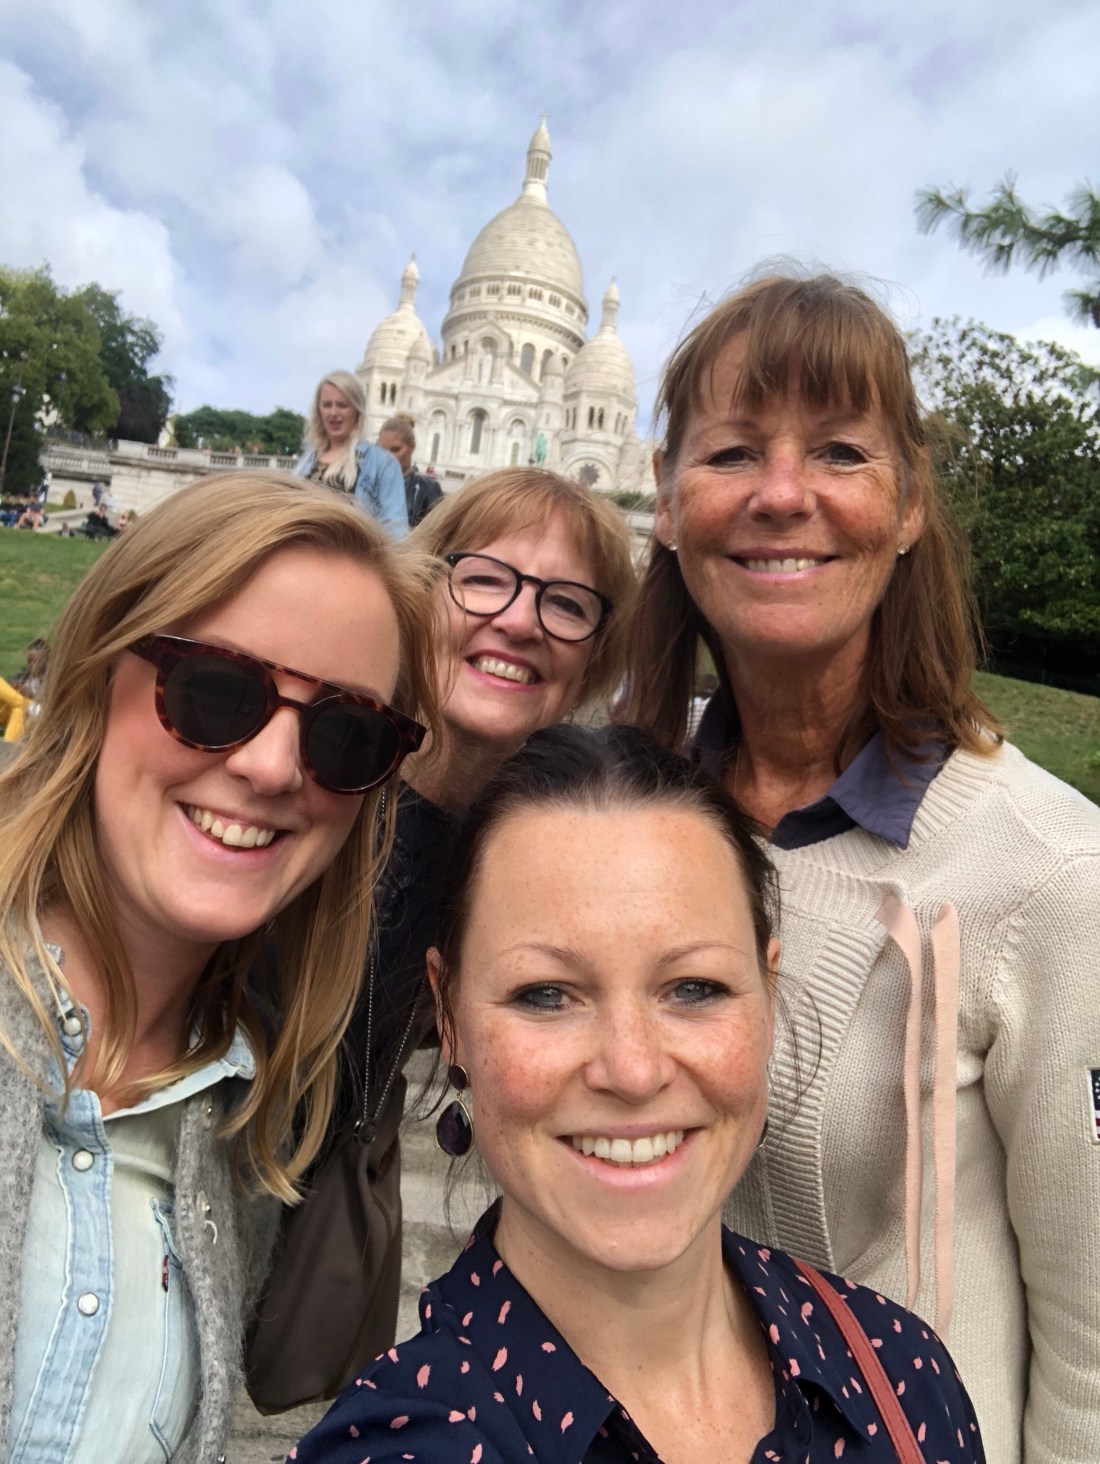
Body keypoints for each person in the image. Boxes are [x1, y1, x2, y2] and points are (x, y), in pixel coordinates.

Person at [619, 273, 1100, 1462]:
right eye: (732, 452)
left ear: (907, 504)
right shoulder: (620, 813)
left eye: (838, 451)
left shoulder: (1048, 872)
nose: (781, 494)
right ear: (666, 501)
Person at [292, 724, 985, 1463]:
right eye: (546, 994)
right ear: (450, 1018)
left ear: (767, 993)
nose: (632, 1070)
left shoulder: (899, 1372)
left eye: (695, 988)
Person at [0, 469, 437, 1462]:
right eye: (215, 691)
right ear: (96, 671)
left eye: (345, 735)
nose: (273, 767)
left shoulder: (246, 1126)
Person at [249, 467, 636, 1405]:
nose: (521, 620)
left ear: (593, 656)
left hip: (313, 1206)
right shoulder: (314, 753)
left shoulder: (534, 852)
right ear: (426, 592)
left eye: (566, 603)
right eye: (486, 579)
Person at [295, 370, 409, 538]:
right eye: (327, 405)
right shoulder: (307, 459)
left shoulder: (383, 463)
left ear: (357, 409)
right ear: (318, 410)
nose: (333, 413)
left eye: (342, 405)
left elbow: (396, 531)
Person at [378, 412, 444, 527]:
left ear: (412, 446)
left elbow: (438, 532)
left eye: (395, 450)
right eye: (382, 451)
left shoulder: (428, 489)